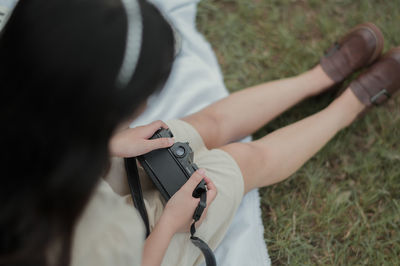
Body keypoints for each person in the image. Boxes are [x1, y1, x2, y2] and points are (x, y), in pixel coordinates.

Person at [0, 1, 399, 266]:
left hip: (75, 169)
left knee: (204, 127)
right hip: (133, 247)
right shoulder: (99, 240)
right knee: (238, 162)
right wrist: (170, 224)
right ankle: (352, 103)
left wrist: (108, 143)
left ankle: (317, 79)